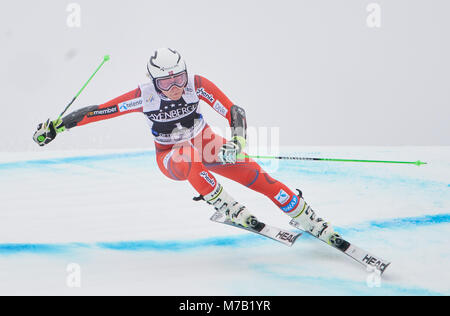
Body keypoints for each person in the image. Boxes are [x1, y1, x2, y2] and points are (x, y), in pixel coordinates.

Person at [33, 48, 340, 244]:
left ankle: (306, 215)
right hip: (171, 157)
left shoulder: (197, 85)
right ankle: (225, 204)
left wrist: (237, 142)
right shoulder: (144, 95)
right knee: (189, 155)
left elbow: (235, 111)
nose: (175, 87)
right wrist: (57, 127)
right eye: (166, 83)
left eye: (179, 78)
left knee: (258, 175)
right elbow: (100, 110)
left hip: (205, 142)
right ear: (154, 82)